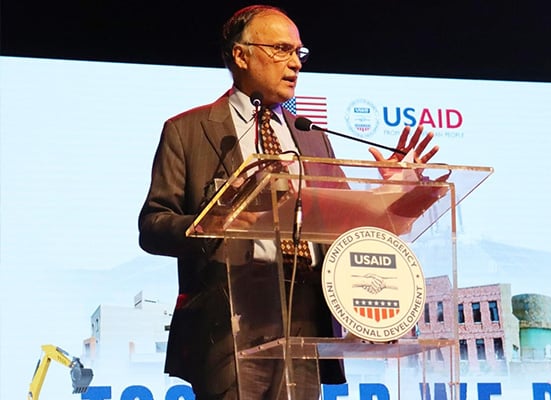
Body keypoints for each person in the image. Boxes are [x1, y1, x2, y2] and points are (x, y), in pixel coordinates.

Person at [138, 4, 439, 400]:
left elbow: (347, 229)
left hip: (304, 319)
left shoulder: (311, 137)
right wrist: (216, 223)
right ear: (240, 55)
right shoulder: (189, 131)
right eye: (281, 49)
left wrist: (394, 195)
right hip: (229, 321)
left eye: (299, 52)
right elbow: (154, 226)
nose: (295, 63)